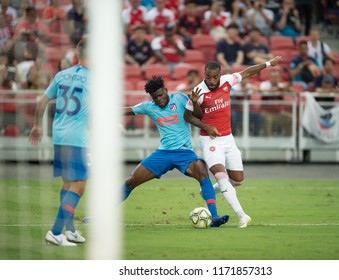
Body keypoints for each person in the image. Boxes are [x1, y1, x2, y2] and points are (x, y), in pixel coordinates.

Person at [83, 76, 229, 227]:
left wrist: (193, 102)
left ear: (166, 91)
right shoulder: (148, 106)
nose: (159, 99)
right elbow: (128, 111)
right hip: (163, 153)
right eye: (155, 97)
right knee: (132, 181)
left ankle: (214, 216)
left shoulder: (179, 98)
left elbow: (198, 116)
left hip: (184, 153)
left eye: (160, 95)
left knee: (201, 169)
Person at [184, 56, 283, 228]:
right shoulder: (198, 91)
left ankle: (209, 189)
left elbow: (248, 72)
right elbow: (189, 116)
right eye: (208, 77)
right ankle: (242, 215)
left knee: (237, 181)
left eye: (215, 77)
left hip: (228, 138)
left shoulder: (227, 81)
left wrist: (268, 64)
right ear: (204, 74)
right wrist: (205, 123)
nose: (212, 80)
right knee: (222, 177)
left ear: (220, 74)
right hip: (210, 140)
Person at [28, 38, 88, 246]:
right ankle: (55, 232)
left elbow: (43, 100)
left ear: (78, 54)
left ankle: (70, 230)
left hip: (59, 135)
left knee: (68, 183)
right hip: (77, 138)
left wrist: (37, 125)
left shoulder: (62, 75)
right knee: (79, 186)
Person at [258, 67, 293, 136]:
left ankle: (288, 141)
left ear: (280, 78)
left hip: (279, 113)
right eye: (273, 77)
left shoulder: (281, 86)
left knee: (290, 118)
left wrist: (287, 89)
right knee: (268, 120)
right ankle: (267, 141)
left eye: (277, 77)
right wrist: (272, 90)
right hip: (266, 112)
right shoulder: (265, 84)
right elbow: (260, 91)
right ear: (270, 77)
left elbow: (290, 91)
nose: (275, 79)